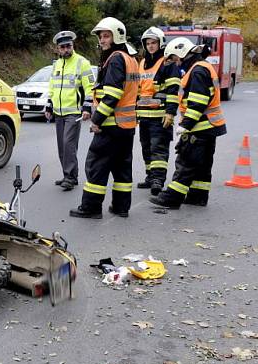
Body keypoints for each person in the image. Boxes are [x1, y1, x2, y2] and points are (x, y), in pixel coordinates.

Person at [69, 17, 140, 219]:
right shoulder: (131, 59)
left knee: (96, 166)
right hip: (126, 126)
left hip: (111, 126)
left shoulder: (116, 58)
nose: (102, 40)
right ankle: (121, 207)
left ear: (117, 36)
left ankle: (91, 208)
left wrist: (96, 120)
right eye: (101, 36)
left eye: (106, 36)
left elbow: (113, 94)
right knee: (122, 168)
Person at [149, 37, 227, 208]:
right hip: (210, 126)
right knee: (202, 164)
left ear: (182, 54)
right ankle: (198, 196)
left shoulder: (197, 71)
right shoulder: (202, 67)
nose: (175, 64)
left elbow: (198, 102)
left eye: (175, 59)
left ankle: (172, 198)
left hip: (199, 127)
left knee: (186, 161)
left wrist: (185, 126)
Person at [44, 30, 96, 191]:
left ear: (73, 46)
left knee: (68, 144)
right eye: (63, 47)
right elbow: (52, 87)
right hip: (59, 112)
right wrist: (49, 105)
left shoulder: (82, 62)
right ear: (58, 49)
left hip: (74, 112)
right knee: (62, 146)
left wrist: (87, 107)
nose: (66, 49)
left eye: (69, 46)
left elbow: (91, 87)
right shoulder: (56, 64)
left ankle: (70, 176)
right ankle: (70, 176)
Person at [135, 27, 181, 195]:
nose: (150, 46)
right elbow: (138, 91)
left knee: (158, 149)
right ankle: (150, 177)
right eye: (148, 43)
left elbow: (173, 91)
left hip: (160, 116)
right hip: (144, 116)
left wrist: (170, 113)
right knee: (146, 148)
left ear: (160, 44)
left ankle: (157, 180)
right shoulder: (142, 64)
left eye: (153, 43)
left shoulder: (167, 63)